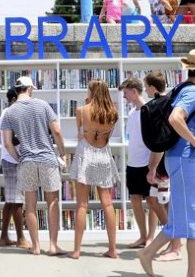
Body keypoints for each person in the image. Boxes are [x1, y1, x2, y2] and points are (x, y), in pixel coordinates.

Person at [138, 49, 195, 277]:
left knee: (180, 218)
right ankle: (193, 274)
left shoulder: (181, 88)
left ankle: (147, 254)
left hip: (180, 160)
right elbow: (175, 118)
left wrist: (154, 166)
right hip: (188, 160)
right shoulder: (192, 92)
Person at [0, 76, 67, 256]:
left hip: (27, 161)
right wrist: (62, 152)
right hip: (47, 159)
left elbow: (7, 143)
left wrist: (20, 157)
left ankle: (36, 246)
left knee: (30, 205)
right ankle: (53, 246)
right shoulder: (42, 105)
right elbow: (57, 131)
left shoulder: (9, 112)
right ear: (30, 89)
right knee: (52, 202)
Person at [68, 80, 120, 259]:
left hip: (86, 155)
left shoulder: (82, 110)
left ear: (92, 92)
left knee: (82, 204)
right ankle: (113, 249)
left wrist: (87, 104)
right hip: (103, 155)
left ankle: (76, 250)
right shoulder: (113, 113)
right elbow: (107, 137)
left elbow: (80, 133)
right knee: (107, 203)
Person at [119, 77, 165, 249]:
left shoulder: (150, 110)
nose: (124, 96)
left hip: (148, 164)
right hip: (132, 164)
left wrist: (152, 165)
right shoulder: (131, 113)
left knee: (152, 201)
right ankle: (142, 236)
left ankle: (151, 238)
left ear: (134, 91)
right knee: (135, 199)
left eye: (125, 93)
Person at [144, 71, 182, 262]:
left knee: (167, 204)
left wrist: (152, 167)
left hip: (165, 164)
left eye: (146, 86)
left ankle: (175, 245)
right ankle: (172, 241)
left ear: (152, 87)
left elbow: (159, 142)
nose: (145, 90)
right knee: (157, 201)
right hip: (168, 161)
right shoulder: (172, 104)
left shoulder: (160, 107)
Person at [0, 88, 29, 248]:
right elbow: (10, 141)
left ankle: (4, 237)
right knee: (17, 201)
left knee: (11, 200)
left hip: (10, 159)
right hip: (13, 160)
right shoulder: (9, 114)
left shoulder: (8, 113)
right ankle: (21, 238)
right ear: (15, 98)